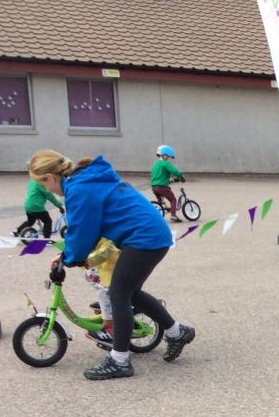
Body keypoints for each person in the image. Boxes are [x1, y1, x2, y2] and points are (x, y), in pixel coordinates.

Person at [28, 150, 195, 380]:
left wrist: (69, 258)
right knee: (130, 292)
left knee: (119, 294)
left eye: (43, 184)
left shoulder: (78, 189)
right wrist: (67, 255)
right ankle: (177, 332)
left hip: (143, 238)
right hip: (150, 235)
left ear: (50, 177)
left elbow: (82, 232)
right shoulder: (85, 181)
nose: (46, 190)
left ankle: (119, 361)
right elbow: (85, 231)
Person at [83, 238, 120, 348]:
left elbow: (107, 249)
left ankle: (109, 329)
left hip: (116, 264)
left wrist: (83, 259)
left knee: (103, 294)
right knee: (89, 274)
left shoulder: (107, 239)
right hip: (107, 264)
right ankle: (108, 303)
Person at [151, 145, 184, 223]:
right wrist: (180, 176)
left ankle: (157, 214)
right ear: (164, 155)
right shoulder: (165, 163)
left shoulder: (155, 164)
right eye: (169, 157)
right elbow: (174, 171)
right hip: (162, 187)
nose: (169, 159)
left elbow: (159, 178)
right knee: (173, 199)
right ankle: (173, 216)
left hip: (154, 187)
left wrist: (171, 181)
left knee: (160, 203)